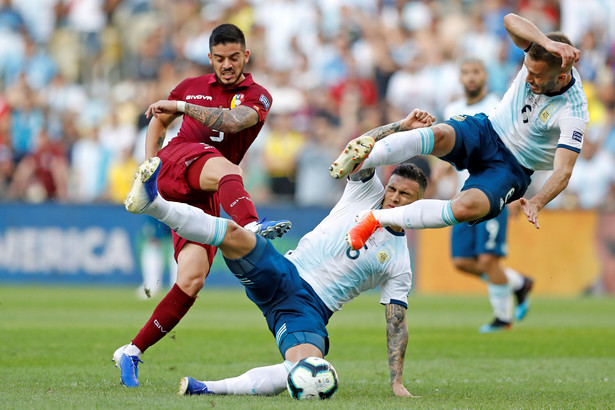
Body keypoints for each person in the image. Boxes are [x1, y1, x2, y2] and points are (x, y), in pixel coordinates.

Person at [120, 109, 435, 397]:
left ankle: (206, 389)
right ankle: (154, 204)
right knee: (234, 233)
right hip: (285, 272)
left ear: (420, 201)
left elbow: (396, 323)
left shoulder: (399, 261)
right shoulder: (367, 191)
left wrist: (396, 382)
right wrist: (402, 127)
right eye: (392, 188)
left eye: (404, 194)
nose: (392, 198)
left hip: (310, 310)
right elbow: (360, 147)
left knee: (306, 370)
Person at [112, 23, 291, 388]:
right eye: (220, 58)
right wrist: (151, 166)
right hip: (179, 161)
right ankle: (253, 226)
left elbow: (233, 120)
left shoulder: (259, 95)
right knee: (227, 165)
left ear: (246, 56)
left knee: (191, 280)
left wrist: (180, 106)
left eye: (234, 58)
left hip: (208, 189)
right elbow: (158, 120)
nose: (227, 65)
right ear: (210, 58)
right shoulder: (193, 86)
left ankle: (130, 351)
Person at [331, 14, 589, 256]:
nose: (527, 78)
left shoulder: (574, 110)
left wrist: (537, 202)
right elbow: (510, 20)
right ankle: (363, 159)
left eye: (537, 75)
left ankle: (375, 219)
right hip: (488, 129)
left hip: (513, 168)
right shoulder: (539, 54)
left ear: (562, 76)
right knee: (440, 134)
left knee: (465, 208)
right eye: (527, 70)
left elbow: (564, 171)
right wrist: (545, 42)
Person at [441, 57, 533, 333]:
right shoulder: (453, 108)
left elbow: (515, 149)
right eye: (466, 71)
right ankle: (519, 283)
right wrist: (439, 171)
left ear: (485, 76)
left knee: (488, 259)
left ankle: (502, 319)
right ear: (460, 77)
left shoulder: (499, 106)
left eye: (476, 71)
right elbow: (449, 145)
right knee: (462, 261)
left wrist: (515, 195)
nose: (470, 77)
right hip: (463, 195)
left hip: (494, 190)